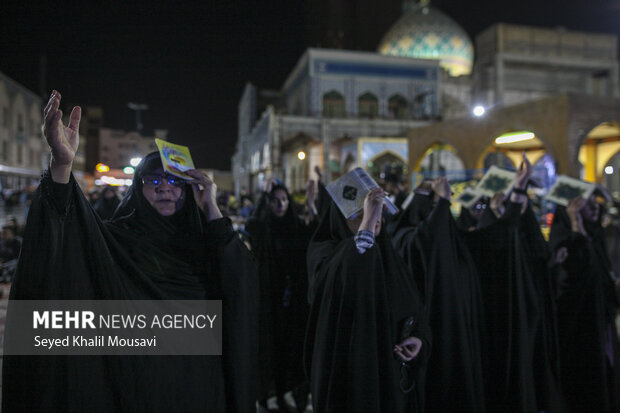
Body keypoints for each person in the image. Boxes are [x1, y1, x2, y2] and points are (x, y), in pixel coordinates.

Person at [2, 90, 258, 412]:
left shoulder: (208, 244)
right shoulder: (118, 241)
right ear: (138, 188)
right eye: (153, 180)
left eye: (175, 181)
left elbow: (242, 285)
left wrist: (211, 208)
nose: (165, 187)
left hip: (199, 387)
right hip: (137, 388)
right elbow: (68, 237)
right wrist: (61, 167)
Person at [305, 187, 430, 413]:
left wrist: (419, 340)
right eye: (359, 213)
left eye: (377, 210)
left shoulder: (389, 257)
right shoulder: (326, 253)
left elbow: (415, 309)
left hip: (392, 380)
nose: (374, 217)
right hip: (352, 381)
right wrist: (368, 222)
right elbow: (351, 268)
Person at [390, 177, 486, 412]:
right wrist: (442, 202)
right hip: (428, 334)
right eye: (433, 207)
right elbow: (426, 242)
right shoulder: (405, 237)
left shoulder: (455, 241)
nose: (439, 214)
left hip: (456, 331)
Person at [246, 178, 316, 412]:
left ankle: (286, 392)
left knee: (289, 349)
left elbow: (313, 234)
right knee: (268, 349)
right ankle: (265, 396)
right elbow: (252, 225)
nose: (280, 205)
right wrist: (263, 198)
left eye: (284, 200)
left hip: (291, 300)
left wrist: (311, 202)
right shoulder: (263, 228)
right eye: (275, 201)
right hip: (268, 300)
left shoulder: (293, 226)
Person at [550, 194, 620, 412]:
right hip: (579, 331)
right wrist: (575, 222)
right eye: (586, 206)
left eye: (595, 205)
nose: (595, 209)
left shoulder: (597, 238)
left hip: (602, 326)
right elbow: (582, 270)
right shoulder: (564, 248)